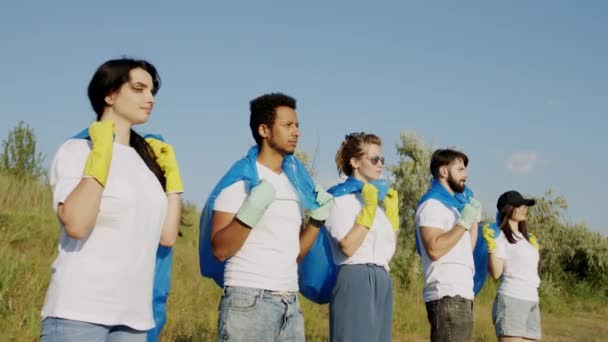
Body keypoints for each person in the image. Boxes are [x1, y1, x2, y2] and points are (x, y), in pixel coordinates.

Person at [41, 58, 183, 341]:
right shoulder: (77, 151)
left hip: (134, 318)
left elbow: (167, 236)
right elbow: (78, 224)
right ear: (109, 94)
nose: (150, 98)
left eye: (152, 91)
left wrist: (173, 182)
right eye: (139, 89)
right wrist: (102, 154)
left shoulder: (147, 162)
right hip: (79, 312)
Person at [207, 93, 332, 341]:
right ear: (264, 130)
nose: (296, 132)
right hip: (248, 300)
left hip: (290, 303)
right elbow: (220, 249)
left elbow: (293, 253)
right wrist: (250, 210)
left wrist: (317, 221)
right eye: (288, 125)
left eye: (297, 125)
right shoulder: (242, 179)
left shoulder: (294, 184)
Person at [324, 132, 399, 342]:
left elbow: (388, 252)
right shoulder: (340, 199)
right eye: (374, 159)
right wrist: (368, 210)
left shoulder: (374, 200)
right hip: (355, 275)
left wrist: (392, 216)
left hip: (382, 277)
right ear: (355, 162)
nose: (380, 164)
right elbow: (348, 246)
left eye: (381, 159)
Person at [415, 148, 482, 342]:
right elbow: (435, 249)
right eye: (460, 169)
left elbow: (465, 250)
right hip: (446, 295)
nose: (465, 175)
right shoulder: (432, 205)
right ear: (443, 171)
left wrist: (473, 222)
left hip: (462, 294)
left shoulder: (454, 207)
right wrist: (463, 223)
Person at [483, 191, 541, 341]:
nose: (524, 208)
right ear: (506, 209)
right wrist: (491, 247)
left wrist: (533, 250)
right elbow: (496, 273)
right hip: (512, 299)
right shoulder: (500, 237)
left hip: (532, 300)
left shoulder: (527, 239)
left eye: (525, 205)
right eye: (519, 205)